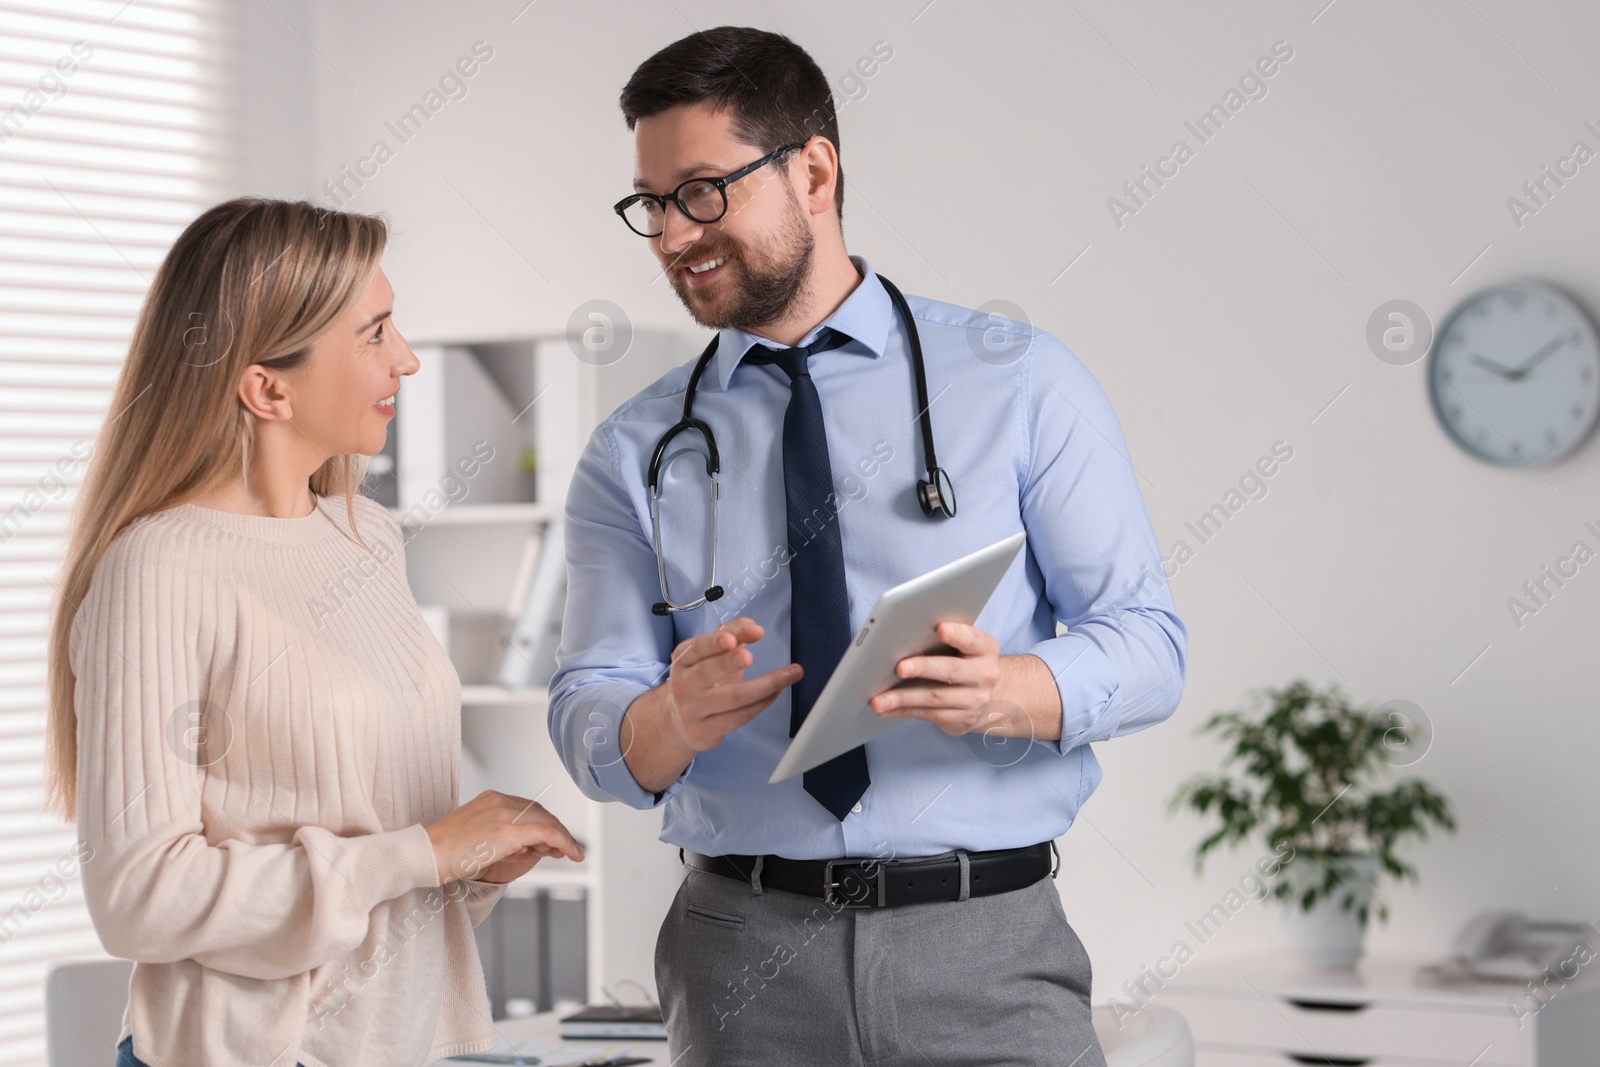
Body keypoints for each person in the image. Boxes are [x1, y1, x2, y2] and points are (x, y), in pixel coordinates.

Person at [548, 26, 1188, 1067]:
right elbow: (585, 711)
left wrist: (1015, 688)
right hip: (739, 954)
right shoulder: (634, 448)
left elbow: (1151, 644)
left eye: (702, 191)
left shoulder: (1021, 381)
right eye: (651, 204)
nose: (671, 235)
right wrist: (661, 717)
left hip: (985, 946)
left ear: (812, 170)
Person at [43, 197, 586, 1067]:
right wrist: (422, 852)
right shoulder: (158, 568)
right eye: (374, 333)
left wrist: (464, 865)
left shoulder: (364, 535)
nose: (405, 358)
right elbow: (137, 897)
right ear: (267, 387)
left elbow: (377, 849)